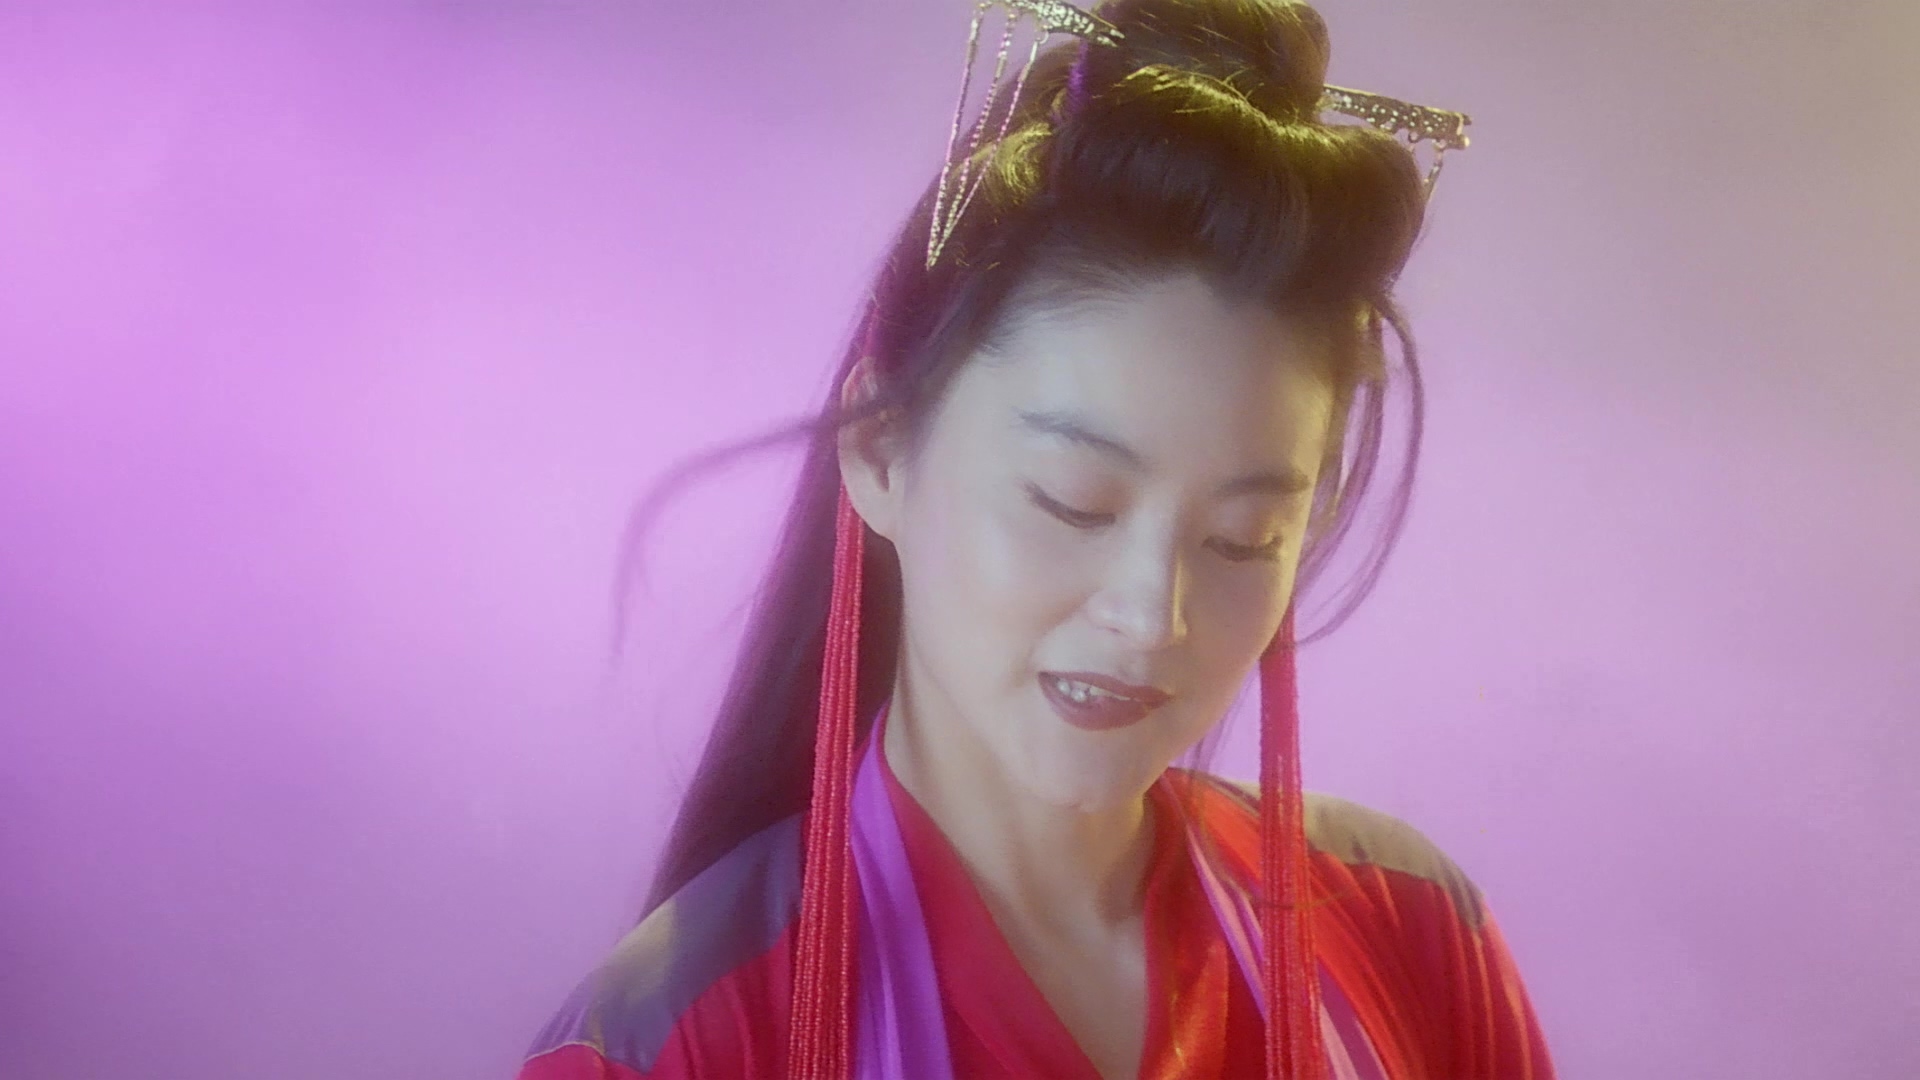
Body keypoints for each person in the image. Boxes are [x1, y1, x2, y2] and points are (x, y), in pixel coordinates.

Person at [520, 1, 1553, 1077]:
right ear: (881, 450)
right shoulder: (677, 1041)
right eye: (1073, 503)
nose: (1151, 615)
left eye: (1244, 537)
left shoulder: (1409, 928)